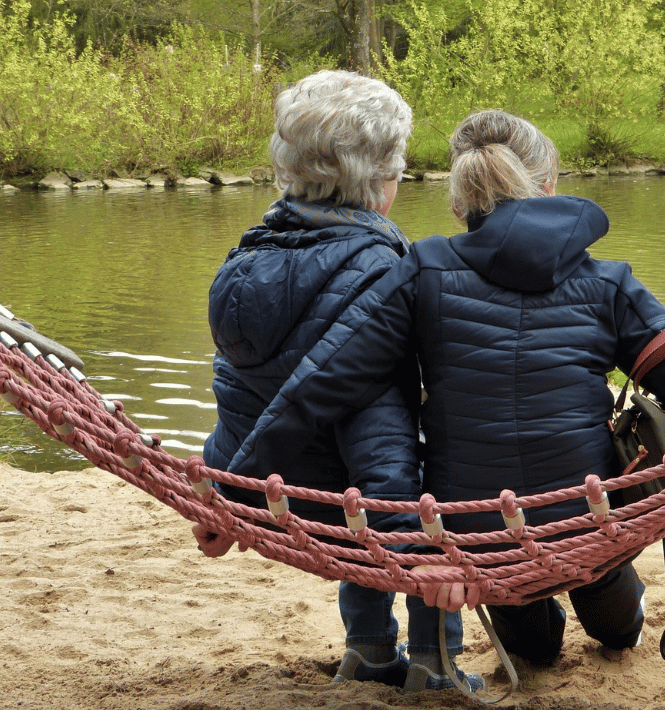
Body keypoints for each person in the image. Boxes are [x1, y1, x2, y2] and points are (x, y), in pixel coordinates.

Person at [226, 109, 665, 669]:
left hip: (478, 538)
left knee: (532, 647)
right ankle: (611, 606)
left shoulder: (421, 269)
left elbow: (322, 384)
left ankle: (547, 613)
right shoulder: (609, 282)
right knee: (611, 609)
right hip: (588, 517)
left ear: (458, 203)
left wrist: (232, 493)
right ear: (548, 186)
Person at [194, 69, 476, 694]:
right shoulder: (383, 272)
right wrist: (415, 557)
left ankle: (369, 647)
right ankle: (435, 661)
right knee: (443, 469)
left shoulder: (244, 259)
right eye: (397, 166)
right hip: (348, 500)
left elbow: (243, 392)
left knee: (359, 474)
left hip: (268, 488)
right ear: (379, 180)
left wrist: (224, 489)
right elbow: (383, 442)